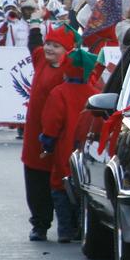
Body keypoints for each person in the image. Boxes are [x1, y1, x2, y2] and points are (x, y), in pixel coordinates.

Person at [40, 49, 98, 243]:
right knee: (84, 188)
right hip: (86, 149)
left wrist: (47, 142)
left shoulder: (59, 92)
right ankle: (82, 227)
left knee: (60, 186)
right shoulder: (94, 93)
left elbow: (52, 123)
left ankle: (65, 229)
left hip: (64, 148)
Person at [21, 24, 73, 241]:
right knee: (35, 182)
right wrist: (33, 24)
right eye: (48, 44)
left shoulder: (71, 69)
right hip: (35, 135)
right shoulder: (41, 58)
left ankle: (68, 226)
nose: (49, 48)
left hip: (58, 135)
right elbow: (34, 44)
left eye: (56, 46)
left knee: (61, 182)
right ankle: (40, 224)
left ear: (67, 50)